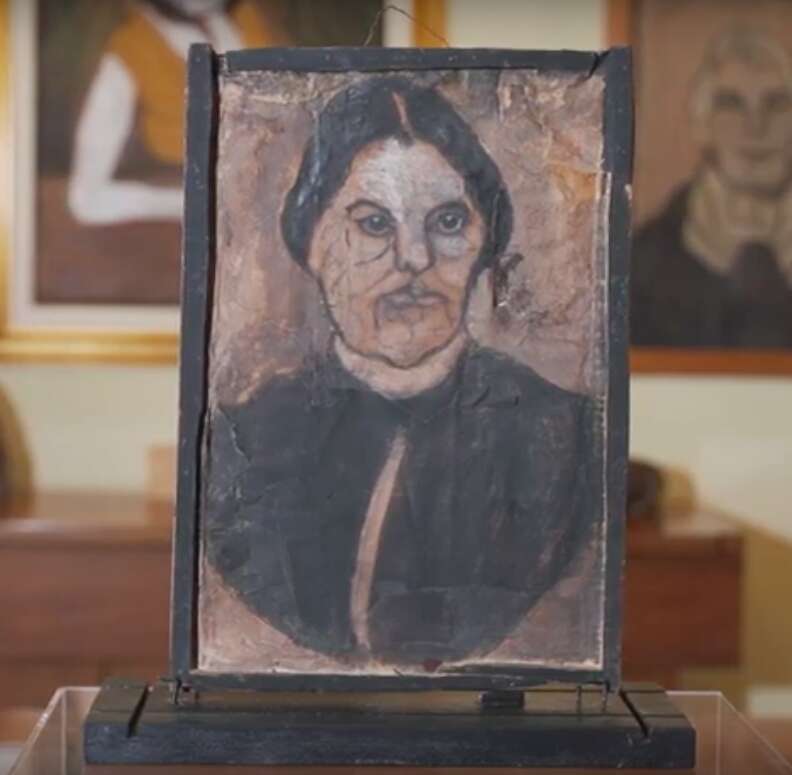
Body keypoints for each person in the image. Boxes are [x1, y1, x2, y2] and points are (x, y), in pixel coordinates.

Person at [205, 77, 598, 668]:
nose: (415, 259)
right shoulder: (247, 440)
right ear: (311, 242)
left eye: (448, 222)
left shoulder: (560, 438)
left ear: (484, 243)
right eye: (374, 223)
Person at [632, 30, 792, 348]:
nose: (755, 126)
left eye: (776, 104)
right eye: (731, 105)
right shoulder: (645, 261)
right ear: (702, 125)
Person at [68, 0, 277, 225]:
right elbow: (87, 200)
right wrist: (193, 204)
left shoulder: (247, 21)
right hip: (186, 216)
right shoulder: (131, 50)